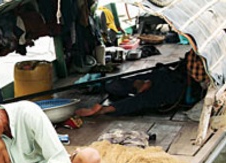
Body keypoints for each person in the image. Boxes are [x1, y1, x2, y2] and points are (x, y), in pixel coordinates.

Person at [75, 49, 209, 117]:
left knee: (130, 85)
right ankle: (105, 109)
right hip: (179, 85)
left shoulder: (197, 49)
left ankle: (137, 84)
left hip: (169, 76)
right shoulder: (205, 52)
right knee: (144, 99)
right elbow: (198, 77)